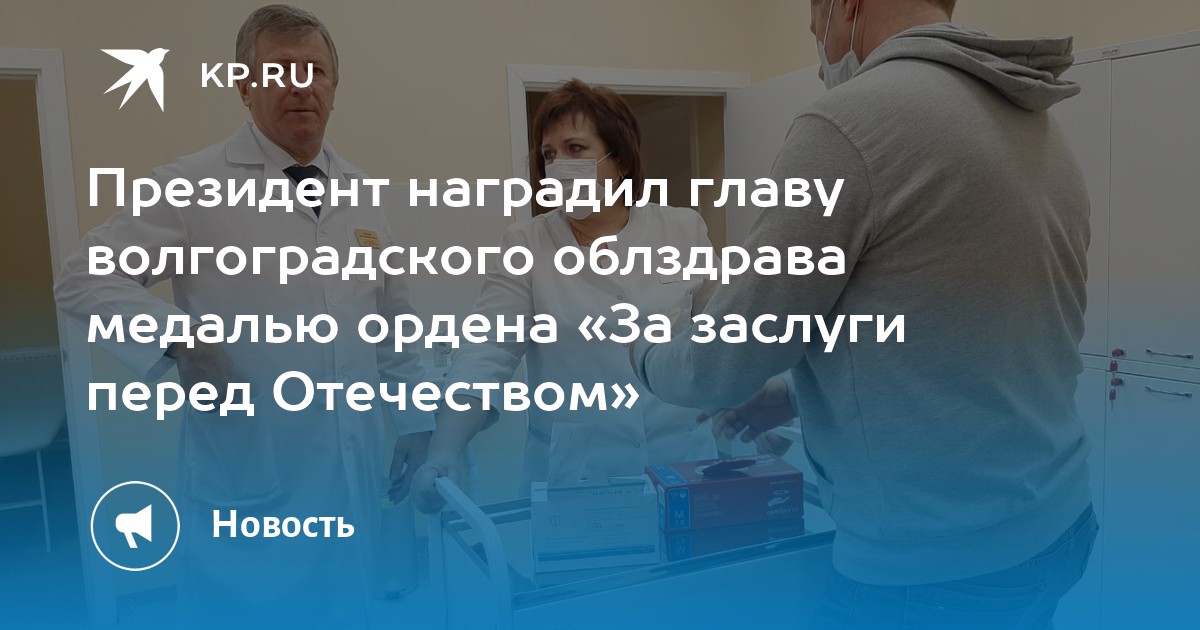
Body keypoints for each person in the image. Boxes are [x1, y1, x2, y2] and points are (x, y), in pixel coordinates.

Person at [632, 0, 1097, 628]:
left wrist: (643, 351)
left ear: (843, 8)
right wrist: (794, 396)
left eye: (815, 32)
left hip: (934, 570)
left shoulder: (848, 123)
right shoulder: (1033, 117)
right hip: (1057, 524)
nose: (820, 63)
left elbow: (724, 359)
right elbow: (961, 336)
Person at [54, 5, 430, 626]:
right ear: (244, 86)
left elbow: (392, 323)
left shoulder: (362, 193)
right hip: (248, 473)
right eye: (280, 70)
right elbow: (82, 276)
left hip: (350, 469)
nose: (301, 85)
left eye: (316, 70)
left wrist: (416, 422)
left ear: (335, 86)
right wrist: (180, 338)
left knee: (349, 608)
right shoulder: (192, 184)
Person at [411, 79, 728, 511]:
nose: (559, 165)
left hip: (681, 460)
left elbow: (724, 330)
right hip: (576, 473)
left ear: (620, 160)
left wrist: (754, 398)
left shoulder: (681, 228)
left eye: (575, 148)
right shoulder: (527, 243)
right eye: (549, 155)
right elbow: (487, 350)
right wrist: (444, 450)